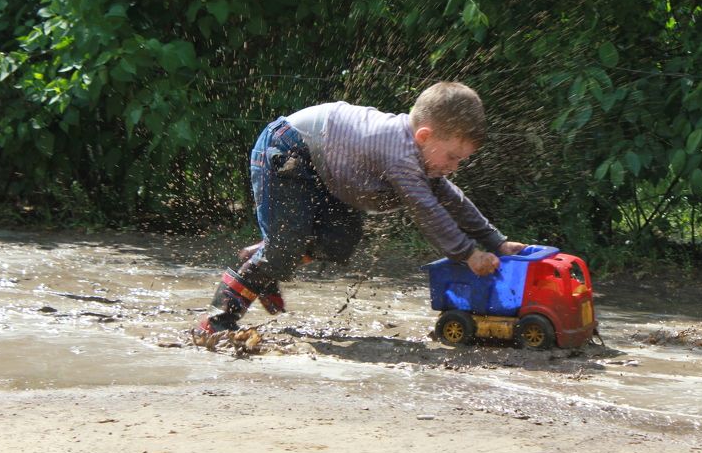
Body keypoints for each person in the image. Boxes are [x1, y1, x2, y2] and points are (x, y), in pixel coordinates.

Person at [197, 81, 526, 334]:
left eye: (461, 160)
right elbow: (428, 212)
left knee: (341, 240)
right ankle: (217, 320)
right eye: (453, 156)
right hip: (287, 150)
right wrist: (469, 254)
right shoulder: (400, 155)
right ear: (424, 136)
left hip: (326, 172)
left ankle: (270, 254)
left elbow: (450, 199)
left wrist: (496, 241)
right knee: (285, 245)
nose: (454, 166)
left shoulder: (423, 158)